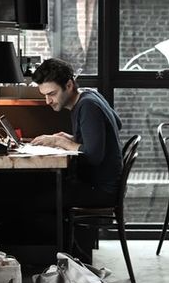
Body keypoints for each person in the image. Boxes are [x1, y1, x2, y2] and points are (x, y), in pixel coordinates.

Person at [31, 58, 123, 208]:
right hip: (104, 185)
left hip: (101, 191)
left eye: (52, 94)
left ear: (68, 85)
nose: (48, 101)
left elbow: (94, 156)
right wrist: (73, 138)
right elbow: (117, 123)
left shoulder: (87, 105)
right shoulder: (89, 95)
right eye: (45, 95)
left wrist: (59, 142)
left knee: (33, 198)